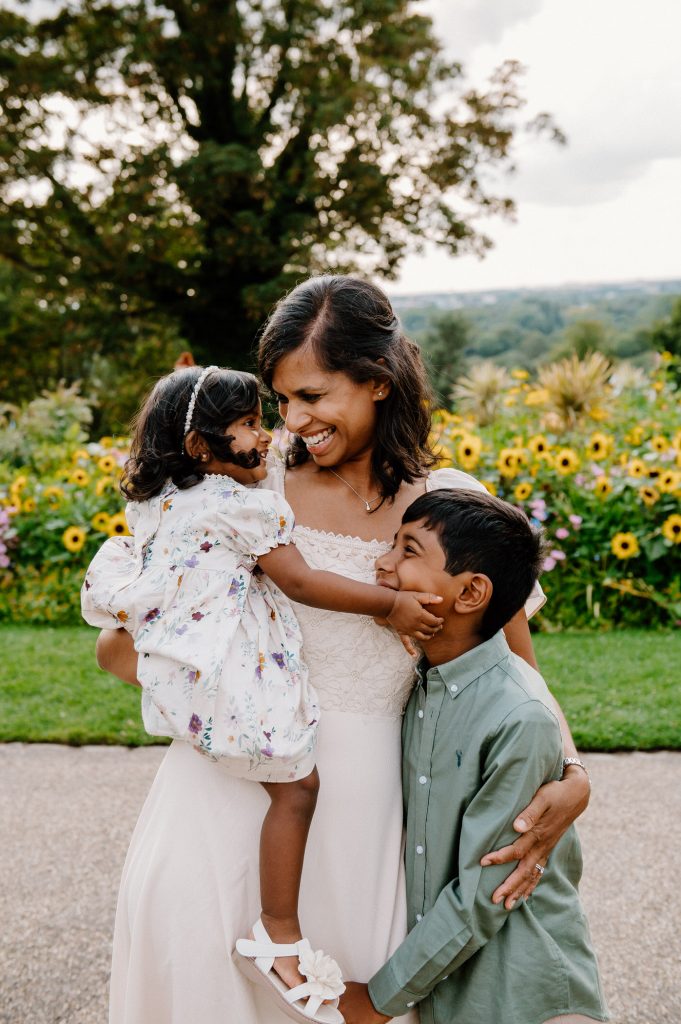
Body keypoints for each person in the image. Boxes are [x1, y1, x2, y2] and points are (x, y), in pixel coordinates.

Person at [96, 275, 591, 1024]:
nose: (293, 419)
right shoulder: (239, 482)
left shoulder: (447, 508)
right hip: (225, 795)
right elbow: (121, 646)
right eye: (281, 398)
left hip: (370, 820)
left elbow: (514, 671)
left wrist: (574, 772)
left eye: (314, 395)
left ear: (377, 384)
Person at [81, 365, 444, 1024]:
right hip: (244, 689)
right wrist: (388, 604)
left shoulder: (161, 504)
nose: (272, 433)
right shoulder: (244, 504)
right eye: (254, 420)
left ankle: (276, 930)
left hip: (199, 685)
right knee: (297, 787)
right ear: (201, 447)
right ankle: (278, 932)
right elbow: (301, 582)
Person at [338, 488, 608, 1024]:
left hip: (526, 991)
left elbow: (487, 888)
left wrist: (378, 1000)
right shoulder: (424, 685)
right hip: (454, 985)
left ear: (470, 594)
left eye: (408, 551)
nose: (383, 562)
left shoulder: (519, 716)